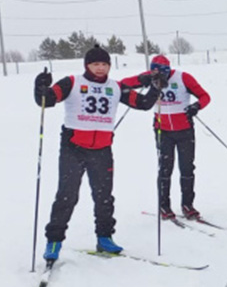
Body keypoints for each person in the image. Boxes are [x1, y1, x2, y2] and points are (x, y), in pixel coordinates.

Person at [35, 45, 162, 262]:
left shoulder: (116, 87)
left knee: (104, 197)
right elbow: (46, 100)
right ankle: (54, 240)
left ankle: (105, 237)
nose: (100, 68)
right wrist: (40, 87)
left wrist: (156, 88)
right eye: (96, 64)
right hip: (73, 147)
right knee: (67, 196)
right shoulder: (72, 82)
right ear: (87, 65)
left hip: (102, 150)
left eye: (104, 64)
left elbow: (142, 103)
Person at [121, 55, 210, 221]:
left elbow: (205, 96)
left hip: (185, 131)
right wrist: (143, 79)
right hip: (163, 130)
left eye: (164, 72)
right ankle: (164, 205)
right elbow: (124, 84)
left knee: (187, 168)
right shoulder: (150, 76)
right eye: (156, 71)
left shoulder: (183, 77)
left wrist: (196, 106)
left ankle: (187, 205)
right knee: (165, 168)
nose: (161, 76)